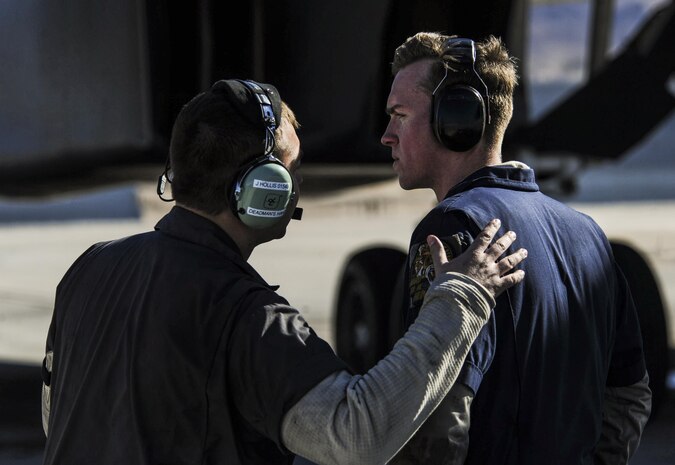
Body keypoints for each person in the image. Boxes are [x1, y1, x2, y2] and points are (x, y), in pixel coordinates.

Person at [40, 78, 527, 465]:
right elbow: (357, 435)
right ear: (260, 190)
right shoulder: (245, 315)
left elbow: (54, 416)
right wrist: (461, 297)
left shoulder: (88, 268)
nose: (296, 186)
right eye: (290, 171)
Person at [380, 33, 652, 465]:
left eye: (399, 115)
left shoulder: (454, 227)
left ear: (457, 120)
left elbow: (438, 407)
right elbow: (629, 395)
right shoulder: (588, 234)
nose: (386, 136)